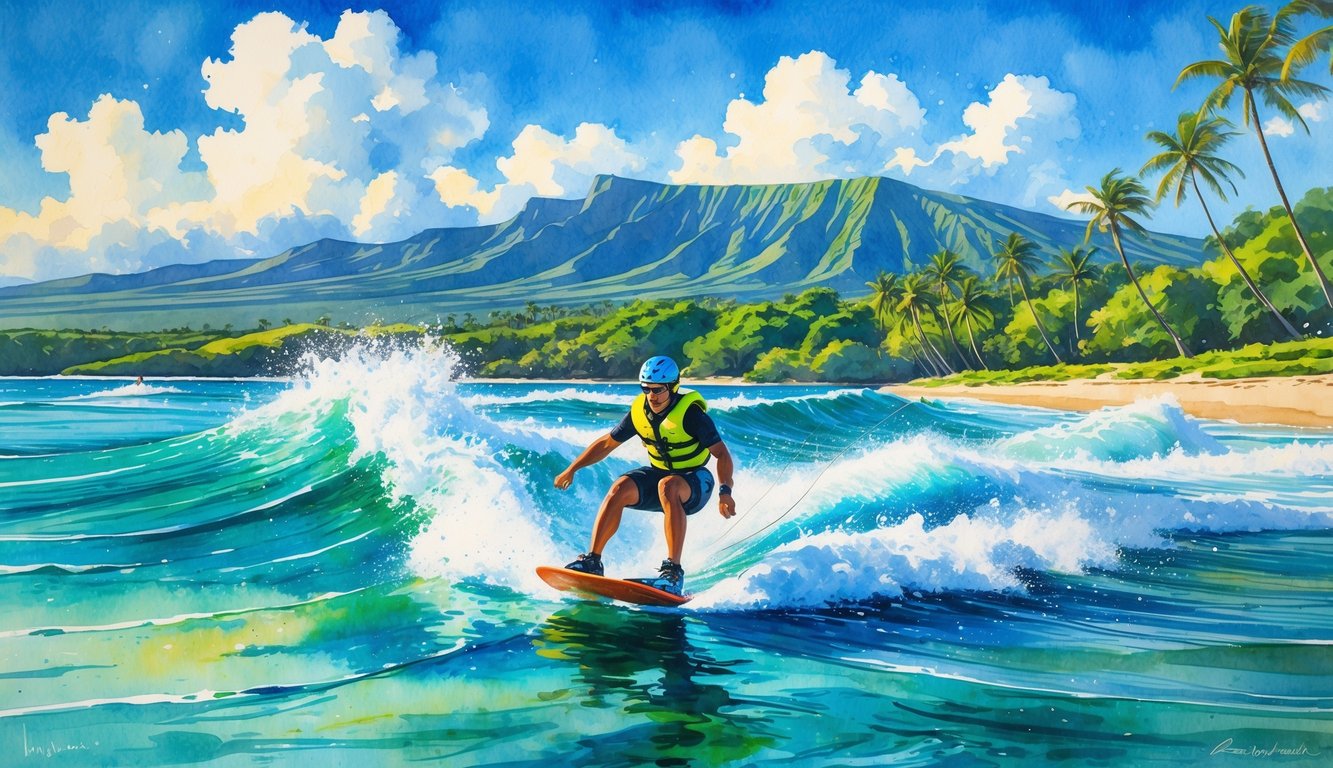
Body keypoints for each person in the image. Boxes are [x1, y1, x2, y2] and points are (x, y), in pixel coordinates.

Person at [554, 355, 736, 595]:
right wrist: (572, 468)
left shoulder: (692, 415)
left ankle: (672, 572)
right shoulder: (640, 412)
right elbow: (607, 444)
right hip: (660, 475)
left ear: (672, 387)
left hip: (696, 481)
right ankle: (593, 561)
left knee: (668, 485)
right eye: (646, 389)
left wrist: (725, 492)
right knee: (620, 487)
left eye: (658, 390)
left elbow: (722, 455)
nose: (652, 396)